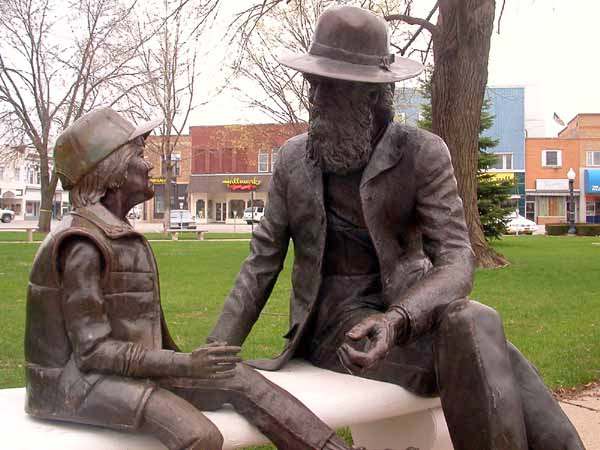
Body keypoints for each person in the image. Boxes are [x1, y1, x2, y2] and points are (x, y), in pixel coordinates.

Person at [208, 6, 584, 450]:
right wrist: (212, 355)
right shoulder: (293, 158)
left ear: (371, 94)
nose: (314, 99)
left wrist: (397, 319)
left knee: (473, 324)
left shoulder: (421, 152)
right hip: (337, 332)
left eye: (328, 87)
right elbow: (261, 263)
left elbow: (458, 260)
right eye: (313, 84)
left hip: (410, 316)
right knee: (481, 338)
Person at [24, 107, 359, 450]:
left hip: (117, 371)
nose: (149, 164)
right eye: (139, 155)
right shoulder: (83, 244)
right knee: (199, 436)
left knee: (237, 377)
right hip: (74, 385)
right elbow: (93, 352)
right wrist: (184, 363)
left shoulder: (107, 232)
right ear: (113, 171)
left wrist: (188, 366)